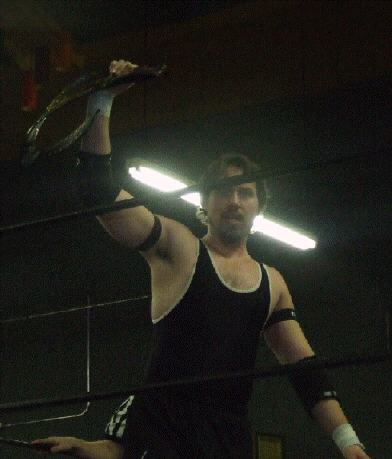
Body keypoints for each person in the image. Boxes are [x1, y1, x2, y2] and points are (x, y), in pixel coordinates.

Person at [33, 60, 371, 459]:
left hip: (227, 440)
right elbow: (97, 191)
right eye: (223, 191)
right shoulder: (179, 248)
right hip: (162, 429)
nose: (234, 201)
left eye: (245, 192)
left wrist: (349, 443)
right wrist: (102, 101)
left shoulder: (273, 283)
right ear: (204, 203)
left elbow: (305, 371)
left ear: (259, 206)